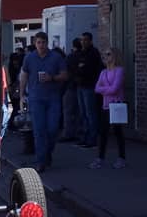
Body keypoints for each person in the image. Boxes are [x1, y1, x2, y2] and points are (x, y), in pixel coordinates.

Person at [20, 31, 68, 172]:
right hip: (36, 99)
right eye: (38, 42)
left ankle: (47, 153)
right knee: (39, 130)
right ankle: (41, 161)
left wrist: (52, 78)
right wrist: (22, 95)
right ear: (35, 43)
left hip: (53, 98)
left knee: (53, 129)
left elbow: (65, 75)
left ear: (47, 43)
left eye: (43, 42)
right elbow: (24, 75)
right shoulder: (29, 58)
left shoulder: (56, 57)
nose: (41, 45)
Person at [90, 47, 127, 169]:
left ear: (114, 56)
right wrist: (107, 90)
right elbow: (96, 88)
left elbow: (115, 88)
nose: (106, 57)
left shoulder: (119, 71)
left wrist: (104, 90)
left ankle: (121, 158)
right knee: (103, 133)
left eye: (108, 54)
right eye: (104, 55)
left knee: (118, 132)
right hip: (105, 106)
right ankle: (100, 158)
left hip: (116, 104)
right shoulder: (103, 72)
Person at [76, 32, 103, 149]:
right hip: (80, 86)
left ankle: (92, 139)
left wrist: (82, 68)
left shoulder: (93, 53)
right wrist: (80, 68)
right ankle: (84, 138)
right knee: (83, 113)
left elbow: (89, 69)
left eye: (86, 40)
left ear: (90, 41)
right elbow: (77, 67)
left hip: (90, 86)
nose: (83, 42)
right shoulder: (81, 53)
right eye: (82, 40)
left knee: (90, 113)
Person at [59, 38, 83, 142]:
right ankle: (79, 132)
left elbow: (65, 73)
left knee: (68, 112)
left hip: (70, 86)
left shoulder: (70, 57)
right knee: (79, 112)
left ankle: (68, 133)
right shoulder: (83, 56)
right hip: (82, 85)